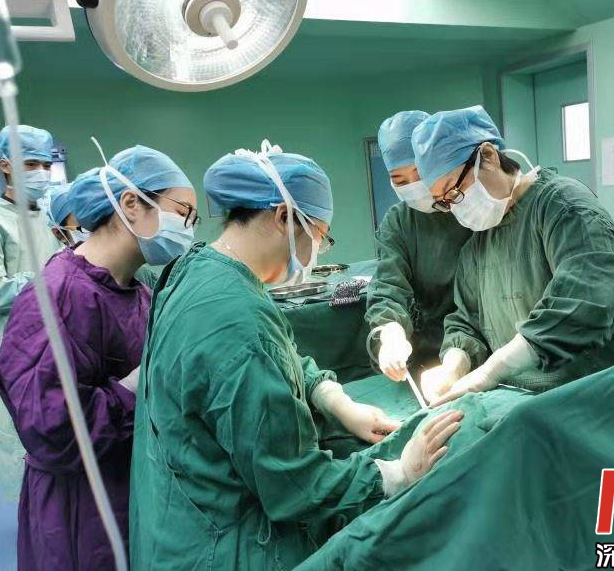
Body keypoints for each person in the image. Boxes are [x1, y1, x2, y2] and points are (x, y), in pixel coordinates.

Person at [130, 144, 463, 571]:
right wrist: (397, 473)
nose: (317, 250)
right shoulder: (237, 318)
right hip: (224, 548)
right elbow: (293, 485)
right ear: (285, 217)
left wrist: (334, 400)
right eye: (320, 235)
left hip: (172, 521)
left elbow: (275, 354)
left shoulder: (197, 270)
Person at [0, 144, 197, 571]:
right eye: (183, 212)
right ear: (131, 204)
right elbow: (52, 433)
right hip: (78, 513)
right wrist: (136, 386)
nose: (188, 228)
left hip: (130, 492)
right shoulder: (57, 296)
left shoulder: (138, 293)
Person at [412, 106, 614, 405]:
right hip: (530, 404)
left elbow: (587, 300)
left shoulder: (564, 206)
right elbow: (467, 321)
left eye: (454, 190)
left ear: (488, 157)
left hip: (601, 397)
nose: (455, 206)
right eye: (444, 201)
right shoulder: (476, 248)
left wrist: (494, 369)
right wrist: (455, 363)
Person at [365, 111, 472, 382]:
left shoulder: (475, 206)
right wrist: (391, 333)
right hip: (429, 353)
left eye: (420, 172)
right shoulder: (399, 222)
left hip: (487, 347)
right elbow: (388, 286)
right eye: (399, 180)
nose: (414, 186)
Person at [0, 125, 60, 340]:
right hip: (12, 339)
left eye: (47, 165)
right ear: (5, 165)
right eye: (31, 164)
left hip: (53, 336)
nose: (41, 172)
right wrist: (52, 279)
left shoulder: (50, 217)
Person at [45, 181, 161, 288]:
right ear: (59, 234)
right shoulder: (58, 283)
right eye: (84, 225)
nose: (97, 231)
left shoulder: (135, 271)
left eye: (100, 221)